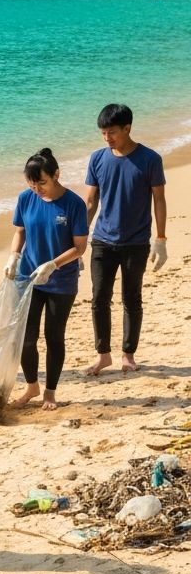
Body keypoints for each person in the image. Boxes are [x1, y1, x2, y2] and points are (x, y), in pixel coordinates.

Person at [84, 104, 167, 376]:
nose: (106, 138)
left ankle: (128, 354)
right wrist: (78, 238)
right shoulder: (97, 159)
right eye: (103, 133)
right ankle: (103, 355)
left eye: (111, 132)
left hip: (136, 242)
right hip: (102, 240)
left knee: (131, 298)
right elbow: (91, 201)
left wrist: (161, 239)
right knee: (99, 298)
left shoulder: (150, 159)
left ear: (127, 128)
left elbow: (159, 199)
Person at [4, 148, 89, 411]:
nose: (37, 189)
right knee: (25, 338)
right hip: (29, 277)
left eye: (41, 182)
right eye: (31, 183)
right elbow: (20, 231)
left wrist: (53, 265)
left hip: (61, 281)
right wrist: (13, 256)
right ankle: (32, 386)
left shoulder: (73, 204)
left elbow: (80, 247)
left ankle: (50, 392)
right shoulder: (26, 198)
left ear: (56, 175)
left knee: (54, 336)